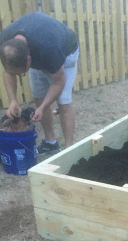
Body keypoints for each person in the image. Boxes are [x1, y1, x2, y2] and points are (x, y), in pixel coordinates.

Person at [0, 12, 79, 152]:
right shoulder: (6, 45)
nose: (20, 76)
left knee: (64, 102)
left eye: (22, 72)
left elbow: (58, 81)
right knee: (38, 97)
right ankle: (51, 143)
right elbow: (8, 72)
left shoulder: (49, 49)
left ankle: (69, 150)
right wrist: (13, 100)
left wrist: (43, 108)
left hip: (66, 52)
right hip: (38, 49)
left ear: (30, 60)